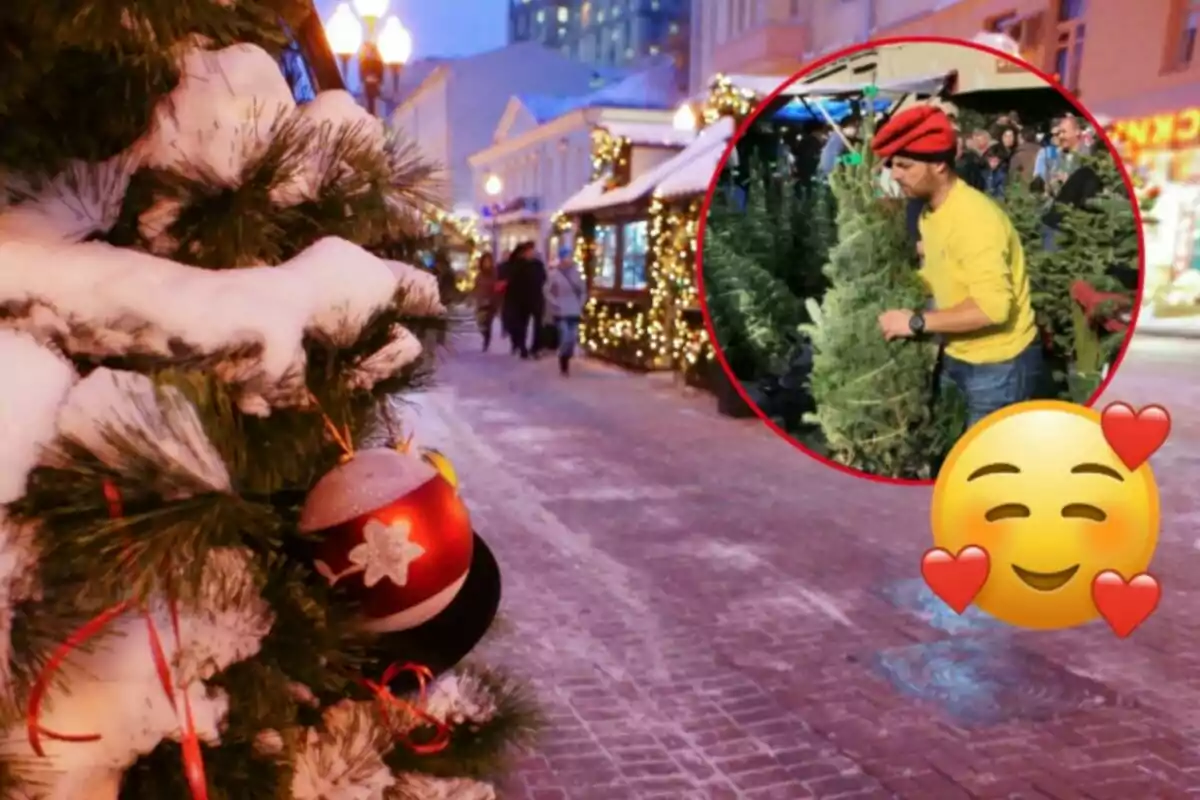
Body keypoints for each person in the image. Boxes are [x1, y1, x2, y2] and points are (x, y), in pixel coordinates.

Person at [872, 104, 1041, 429]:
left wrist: (916, 322)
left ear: (938, 164)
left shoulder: (974, 218)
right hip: (957, 352)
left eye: (905, 165)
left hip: (998, 366)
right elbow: (943, 270)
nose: (894, 174)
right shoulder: (931, 211)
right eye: (893, 165)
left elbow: (993, 309)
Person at [545, 244, 586, 375]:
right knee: (565, 336)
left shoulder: (577, 273)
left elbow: (583, 290)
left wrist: (580, 303)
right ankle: (563, 361)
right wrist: (554, 302)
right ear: (561, 258)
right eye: (566, 257)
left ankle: (566, 355)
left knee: (573, 337)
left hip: (574, 309)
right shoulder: (555, 274)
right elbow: (546, 290)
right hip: (561, 310)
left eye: (570, 256)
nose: (568, 259)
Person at [503, 241, 547, 359]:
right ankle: (522, 347)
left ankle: (536, 348)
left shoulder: (538, 264)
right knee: (522, 325)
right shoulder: (517, 265)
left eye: (532, 251)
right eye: (528, 251)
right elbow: (512, 283)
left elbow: (543, 278)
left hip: (536, 298)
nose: (531, 253)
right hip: (521, 300)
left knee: (538, 325)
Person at [472, 252, 500, 352]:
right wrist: (473, 297)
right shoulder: (479, 275)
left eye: (488, 261)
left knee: (487, 323)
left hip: (491, 303)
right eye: (485, 261)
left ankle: (487, 341)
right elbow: (475, 287)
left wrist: (497, 301)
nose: (486, 264)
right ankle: (485, 336)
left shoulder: (495, 274)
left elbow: (498, 288)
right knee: (480, 323)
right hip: (480, 303)